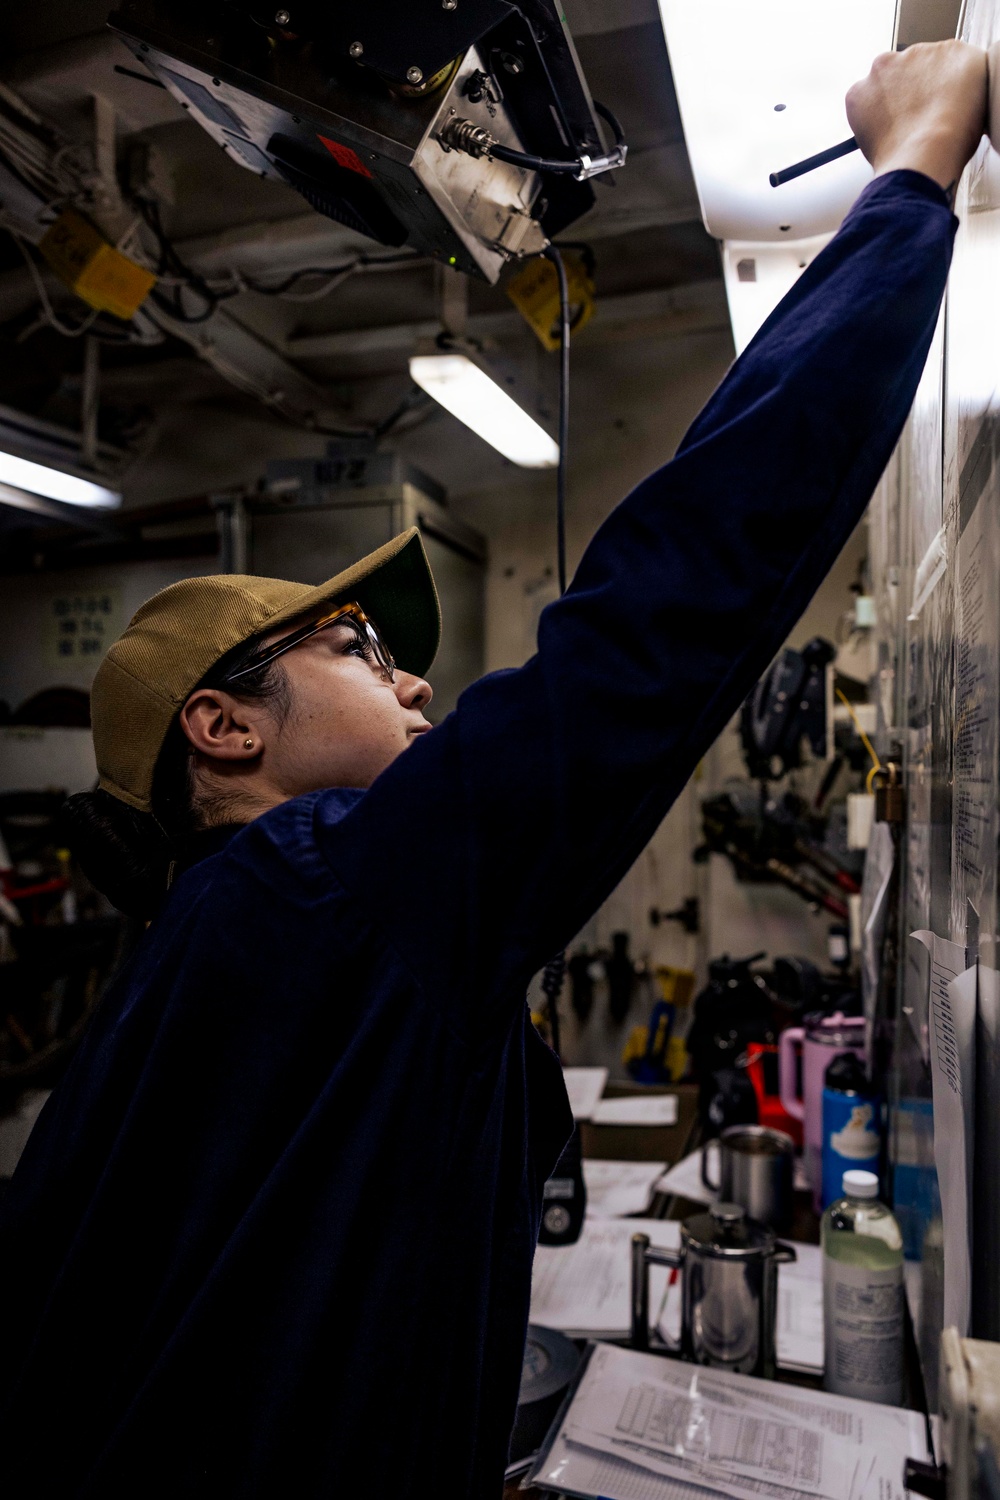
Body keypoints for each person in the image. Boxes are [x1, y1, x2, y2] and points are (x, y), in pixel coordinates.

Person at [0, 39, 987, 1500]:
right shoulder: (321, 889)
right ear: (223, 730)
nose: (411, 677)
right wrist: (911, 178)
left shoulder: (233, 945)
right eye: (353, 647)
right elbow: (671, 596)